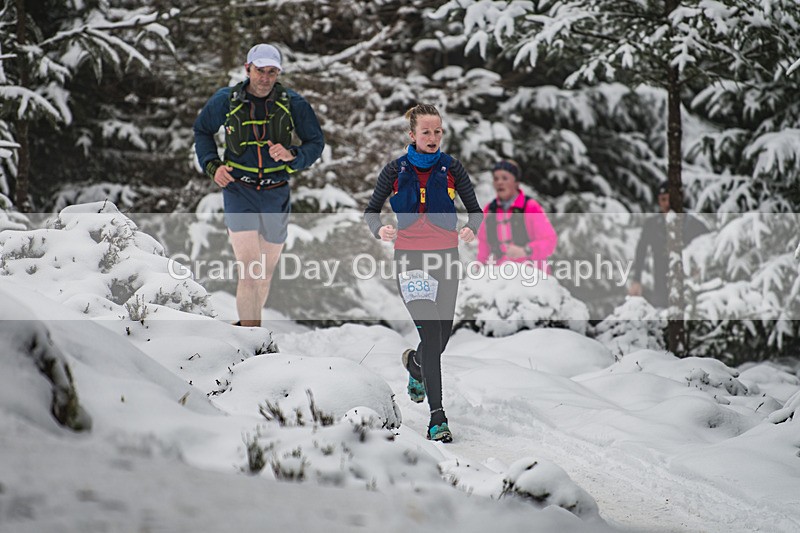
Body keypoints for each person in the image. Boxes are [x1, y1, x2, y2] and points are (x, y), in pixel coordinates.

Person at [364, 104, 483, 443]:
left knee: (440, 338)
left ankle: (416, 365)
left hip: (446, 258)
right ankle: (437, 418)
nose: (433, 137)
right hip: (410, 260)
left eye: (437, 131)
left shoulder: (452, 168)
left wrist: (471, 228)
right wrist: (380, 230)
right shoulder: (395, 170)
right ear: (412, 135)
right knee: (431, 333)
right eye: (426, 132)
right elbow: (371, 211)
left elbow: (475, 212)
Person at [193, 43, 324, 327]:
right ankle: (252, 337)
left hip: (276, 191)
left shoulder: (293, 103)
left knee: (265, 273)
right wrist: (213, 166)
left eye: (271, 72)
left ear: (278, 73)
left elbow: (316, 142)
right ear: (247, 69)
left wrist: (293, 156)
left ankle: (248, 328)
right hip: (239, 189)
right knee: (251, 271)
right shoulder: (226, 100)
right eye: (260, 70)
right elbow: (202, 130)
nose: (265, 77)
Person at [629, 181, 709, 308]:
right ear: (658, 201)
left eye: (671, 199)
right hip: (661, 290)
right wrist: (636, 280)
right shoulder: (652, 225)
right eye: (663, 199)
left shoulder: (694, 225)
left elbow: (708, 253)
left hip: (689, 290)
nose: (667, 204)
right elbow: (641, 252)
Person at [476, 159, 557, 272]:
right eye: (496, 179)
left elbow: (549, 240)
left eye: (505, 178)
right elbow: (484, 246)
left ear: (516, 182)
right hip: (502, 274)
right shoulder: (489, 210)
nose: (499, 182)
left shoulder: (530, 207)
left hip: (533, 272)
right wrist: (478, 271)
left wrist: (526, 250)